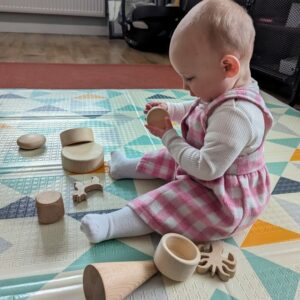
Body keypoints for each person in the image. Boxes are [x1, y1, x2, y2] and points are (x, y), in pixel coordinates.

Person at [80, 0, 273, 244]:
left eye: (189, 78)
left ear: (227, 66)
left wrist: (169, 136)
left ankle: (110, 225)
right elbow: (199, 110)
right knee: (169, 155)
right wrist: (171, 110)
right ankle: (126, 167)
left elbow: (206, 168)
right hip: (208, 168)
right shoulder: (223, 89)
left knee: (173, 198)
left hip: (224, 199)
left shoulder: (236, 115)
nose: (183, 86)